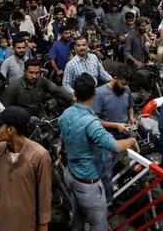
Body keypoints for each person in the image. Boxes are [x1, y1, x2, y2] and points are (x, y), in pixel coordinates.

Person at [59, 74, 139, 231]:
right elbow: (115, 146)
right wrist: (131, 141)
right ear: (94, 93)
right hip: (87, 185)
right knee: (99, 226)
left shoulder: (66, 114)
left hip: (71, 174)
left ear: (74, 93)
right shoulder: (91, 123)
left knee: (78, 216)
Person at [0, 106, 52, 231]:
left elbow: (44, 196)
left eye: (0, 125)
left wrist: (43, 227)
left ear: (11, 129)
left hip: (27, 224)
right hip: (1, 222)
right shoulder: (0, 149)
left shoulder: (39, 156)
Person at [93, 64, 137, 202]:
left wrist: (131, 117)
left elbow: (130, 108)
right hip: (107, 138)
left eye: (127, 84)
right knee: (107, 172)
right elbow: (94, 120)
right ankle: (107, 202)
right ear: (115, 77)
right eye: (123, 83)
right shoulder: (100, 93)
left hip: (124, 134)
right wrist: (116, 125)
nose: (125, 87)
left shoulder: (127, 90)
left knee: (125, 166)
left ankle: (121, 195)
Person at [1, 59, 73, 118]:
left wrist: (73, 98)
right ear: (24, 72)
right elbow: (5, 110)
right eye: (31, 73)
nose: (34, 76)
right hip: (21, 119)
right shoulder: (14, 88)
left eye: (37, 73)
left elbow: (57, 90)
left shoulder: (42, 80)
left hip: (39, 115)